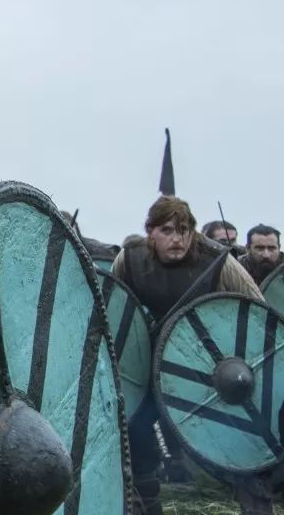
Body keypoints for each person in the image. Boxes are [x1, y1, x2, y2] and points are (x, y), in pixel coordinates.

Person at [113, 196, 269, 515]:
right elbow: (113, 311)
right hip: (146, 364)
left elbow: (256, 314)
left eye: (184, 230)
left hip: (209, 369)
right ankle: (145, 505)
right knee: (135, 430)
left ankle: (256, 505)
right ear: (150, 232)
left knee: (238, 435)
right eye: (167, 230)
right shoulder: (129, 260)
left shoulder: (218, 261)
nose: (178, 239)